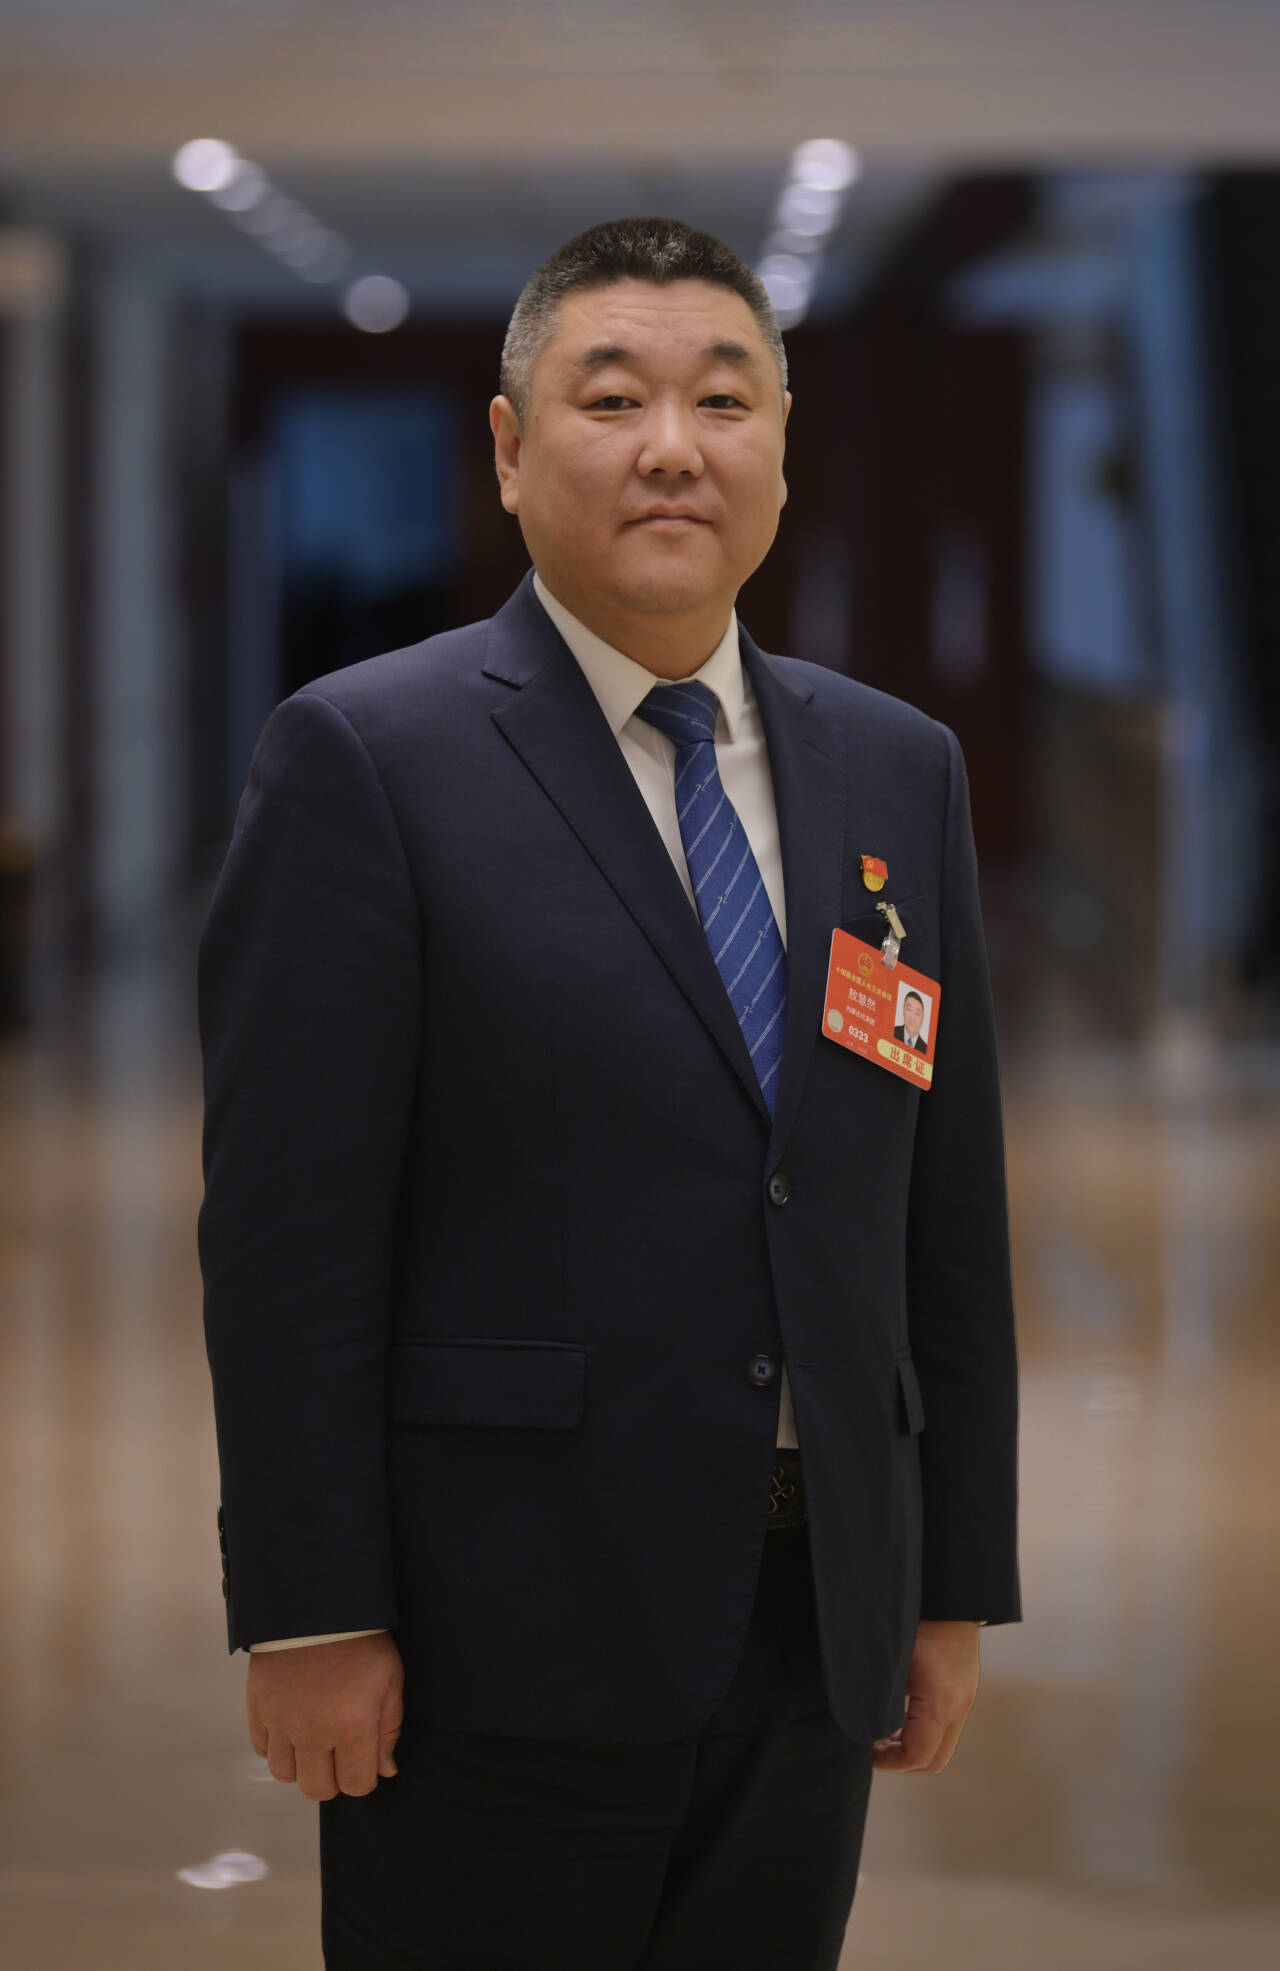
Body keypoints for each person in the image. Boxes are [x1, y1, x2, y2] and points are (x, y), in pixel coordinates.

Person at [197, 216, 1020, 1971]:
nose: (672, 446)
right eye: (612, 396)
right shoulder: (368, 757)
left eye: (723, 400)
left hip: (815, 1617)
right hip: (499, 1621)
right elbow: (288, 1237)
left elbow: (940, 1208)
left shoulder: (898, 766)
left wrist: (950, 1576)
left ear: (780, 446)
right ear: (510, 450)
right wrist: (309, 1607)